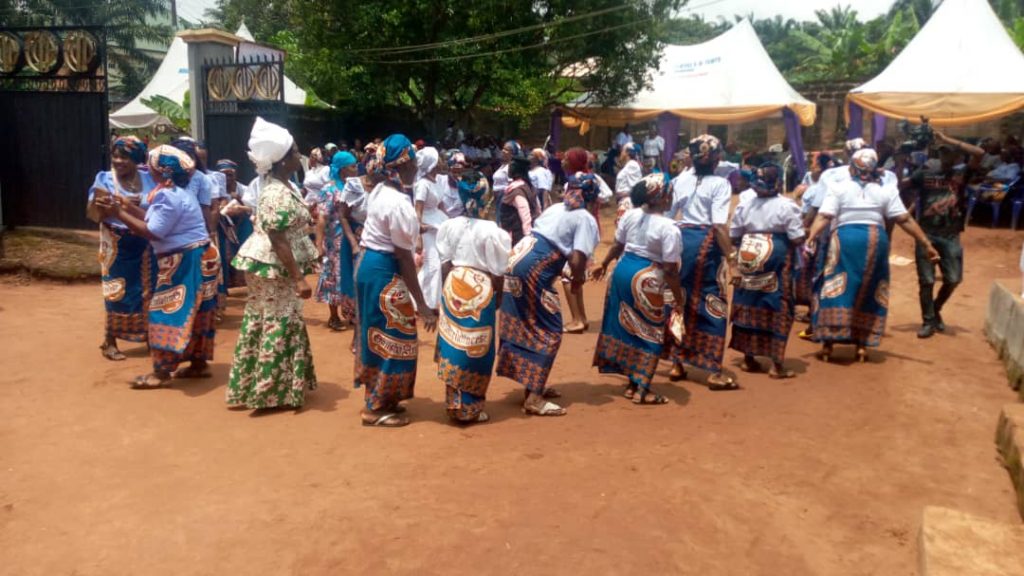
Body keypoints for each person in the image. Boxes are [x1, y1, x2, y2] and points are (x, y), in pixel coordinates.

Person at [93, 145, 218, 388]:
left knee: (167, 312)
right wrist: (127, 207)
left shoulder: (167, 196)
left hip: (186, 260)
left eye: (149, 163)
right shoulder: (174, 192)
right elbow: (153, 217)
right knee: (200, 311)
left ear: (161, 171)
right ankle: (198, 364)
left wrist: (118, 212)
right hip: (201, 255)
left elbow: (154, 231)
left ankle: (161, 373)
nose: (145, 167)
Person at [807, 148, 939, 362]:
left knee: (835, 287)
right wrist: (926, 243)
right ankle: (861, 345)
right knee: (870, 288)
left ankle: (829, 344)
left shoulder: (838, 187)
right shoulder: (886, 190)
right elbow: (904, 219)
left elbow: (824, 216)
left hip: (845, 240)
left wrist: (811, 236)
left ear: (851, 167)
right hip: (876, 240)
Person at [496, 148, 600, 416]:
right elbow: (577, 259)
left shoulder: (555, 208)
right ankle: (534, 397)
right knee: (549, 329)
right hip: (535, 269)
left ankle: (533, 382)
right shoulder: (585, 218)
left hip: (516, 260)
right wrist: (577, 283)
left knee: (524, 321)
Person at [227, 118, 319, 409]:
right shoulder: (276, 191)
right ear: (281, 161)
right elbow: (277, 236)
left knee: (266, 319)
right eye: (294, 153)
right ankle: (270, 392)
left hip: (271, 264)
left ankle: (261, 386)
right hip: (275, 265)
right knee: (278, 322)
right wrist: (299, 278)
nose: (298, 156)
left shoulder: (282, 184)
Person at [356, 134, 438, 427]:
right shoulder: (398, 202)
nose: (416, 165)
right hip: (384, 271)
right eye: (413, 160)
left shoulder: (380, 191)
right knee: (395, 338)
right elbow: (405, 257)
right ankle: (374, 408)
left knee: (380, 333)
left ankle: (384, 397)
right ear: (403, 165)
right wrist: (423, 305)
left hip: (371, 265)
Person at [591, 174, 684, 405]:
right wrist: (679, 298)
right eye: (670, 193)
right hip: (647, 277)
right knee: (650, 331)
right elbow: (671, 269)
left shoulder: (630, 215)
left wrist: (603, 264)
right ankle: (643, 389)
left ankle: (632, 383)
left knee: (629, 328)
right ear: (662, 198)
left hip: (622, 272)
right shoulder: (669, 227)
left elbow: (617, 246)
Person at [434, 175, 512, 424]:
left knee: (453, 345)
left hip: (454, 285)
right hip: (481, 290)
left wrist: (446, 292)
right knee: (477, 349)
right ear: (486, 196)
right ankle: (470, 407)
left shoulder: (449, 225)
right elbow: (498, 271)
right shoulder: (492, 231)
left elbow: (445, 262)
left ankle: (454, 403)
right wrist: (497, 297)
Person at [665, 135, 737, 390]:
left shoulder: (679, 180)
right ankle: (712, 370)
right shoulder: (721, 184)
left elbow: (668, 215)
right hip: (706, 245)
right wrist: (732, 259)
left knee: (678, 301)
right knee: (712, 302)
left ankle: (677, 363)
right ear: (717, 158)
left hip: (680, 242)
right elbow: (718, 225)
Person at [901, 132, 984, 339]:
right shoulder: (926, 172)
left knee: (954, 279)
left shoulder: (962, 173)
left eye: (948, 154)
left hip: (951, 234)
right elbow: (903, 185)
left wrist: (948, 140)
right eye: (942, 153)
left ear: (957, 157)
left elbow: (979, 153)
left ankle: (936, 309)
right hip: (926, 233)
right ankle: (928, 321)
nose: (944, 156)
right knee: (927, 280)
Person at [728, 163, 805, 378]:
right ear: (778, 182)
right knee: (779, 304)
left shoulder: (745, 205)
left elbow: (734, 235)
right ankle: (776, 365)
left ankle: (748, 359)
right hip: (777, 259)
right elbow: (797, 238)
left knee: (747, 303)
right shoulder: (787, 206)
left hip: (749, 255)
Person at [90, 136, 157, 361]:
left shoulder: (149, 179)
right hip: (117, 244)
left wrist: (136, 208)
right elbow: (92, 214)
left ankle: (149, 337)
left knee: (147, 290)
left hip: (145, 243)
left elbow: (160, 208)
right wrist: (105, 208)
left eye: (125, 157)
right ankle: (109, 341)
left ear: (137, 159)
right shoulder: (105, 179)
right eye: (116, 156)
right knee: (116, 290)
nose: (119, 161)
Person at [315, 151, 359, 331]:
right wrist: (319, 245)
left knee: (352, 275)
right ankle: (333, 316)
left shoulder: (356, 187)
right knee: (334, 277)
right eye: (352, 166)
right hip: (336, 242)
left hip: (354, 239)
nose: (356, 169)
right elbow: (322, 218)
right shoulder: (330, 189)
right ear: (342, 169)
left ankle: (352, 312)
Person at [559, 147, 597, 334]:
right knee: (576, 275)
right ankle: (581, 317)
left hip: (577, 231)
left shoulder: (575, 181)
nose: (562, 161)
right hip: (584, 228)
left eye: (566, 158)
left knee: (569, 276)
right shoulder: (587, 177)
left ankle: (576, 320)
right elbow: (604, 195)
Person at [413, 146, 447, 312]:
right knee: (432, 264)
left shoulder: (437, 180)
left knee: (437, 264)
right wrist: (418, 234)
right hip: (426, 226)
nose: (441, 160)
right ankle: (422, 302)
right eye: (438, 158)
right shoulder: (422, 184)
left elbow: (441, 205)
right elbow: (417, 209)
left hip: (438, 222)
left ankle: (426, 301)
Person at [214, 159, 253, 291]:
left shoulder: (244, 189)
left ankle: (245, 280)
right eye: (224, 175)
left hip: (242, 223)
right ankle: (229, 282)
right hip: (225, 225)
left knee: (245, 249)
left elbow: (251, 208)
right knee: (226, 254)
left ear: (235, 175)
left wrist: (238, 199)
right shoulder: (216, 191)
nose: (227, 178)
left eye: (230, 175)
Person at [499, 156, 539, 246]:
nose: (509, 169)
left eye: (511, 167)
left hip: (515, 235)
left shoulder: (517, 191)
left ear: (518, 170)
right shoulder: (527, 186)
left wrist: (527, 236)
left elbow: (525, 214)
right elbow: (537, 208)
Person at [615, 143, 643, 212]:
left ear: (627, 153)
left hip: (628, 202)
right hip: (625, 201)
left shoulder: (632, 165)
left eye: (622, 151)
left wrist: (621, 195)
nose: (621, 153)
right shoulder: (629, 165)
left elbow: (636, 187)